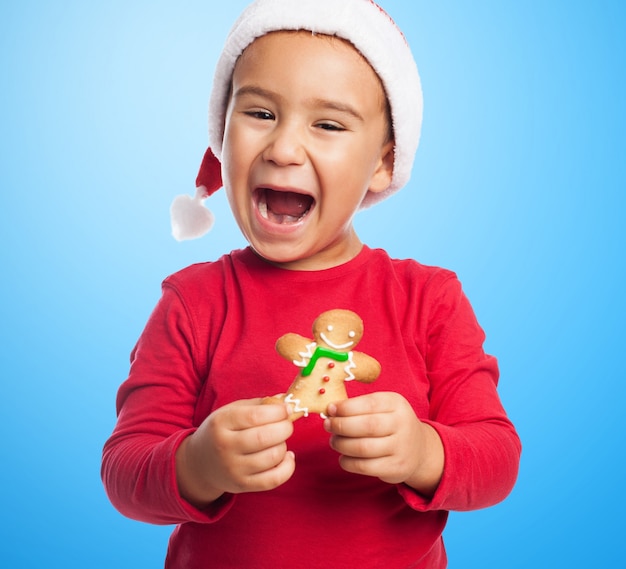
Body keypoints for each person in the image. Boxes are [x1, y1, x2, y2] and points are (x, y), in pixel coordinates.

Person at [101, 1, 521, 567]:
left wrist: (425, 453)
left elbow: (497, 459)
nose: (282, 149)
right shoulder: (193, 302)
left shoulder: (428, 299)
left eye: (327, 124)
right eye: (260, 113)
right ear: (222, 136)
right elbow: (126, 469)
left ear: (382, 163)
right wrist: (197, 464)